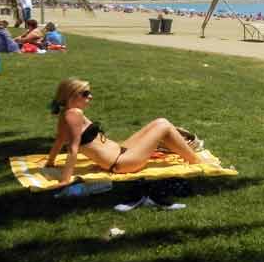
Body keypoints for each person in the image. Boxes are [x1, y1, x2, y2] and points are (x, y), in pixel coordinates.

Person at [45, 78, 204, 186]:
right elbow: (72, 148)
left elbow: (59, 140)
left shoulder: (66, 113)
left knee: (158, 122)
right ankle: (196, 161)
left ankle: (186, 150)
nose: (91, 96)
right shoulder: (74, 114)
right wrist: (65, 180)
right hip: (122, 163)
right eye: (86, 94)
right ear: (72, 95)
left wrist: (50, 162)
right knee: (163, 125)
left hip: (121, 153)